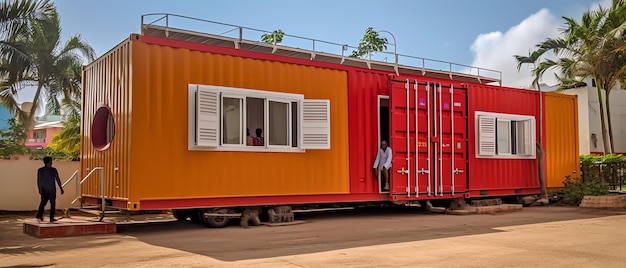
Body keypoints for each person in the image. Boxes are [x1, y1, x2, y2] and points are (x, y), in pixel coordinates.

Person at [36, 156, 64, 222]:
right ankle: (51, 217)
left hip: (44, 189)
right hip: (51, 189)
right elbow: (57, 179)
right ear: (50, 162)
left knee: (43, 202)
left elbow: (39, 180)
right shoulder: (53, 170)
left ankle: (39, 215)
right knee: (52, 203)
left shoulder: (40, 170)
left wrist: (39, 188)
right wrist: (61, 188)